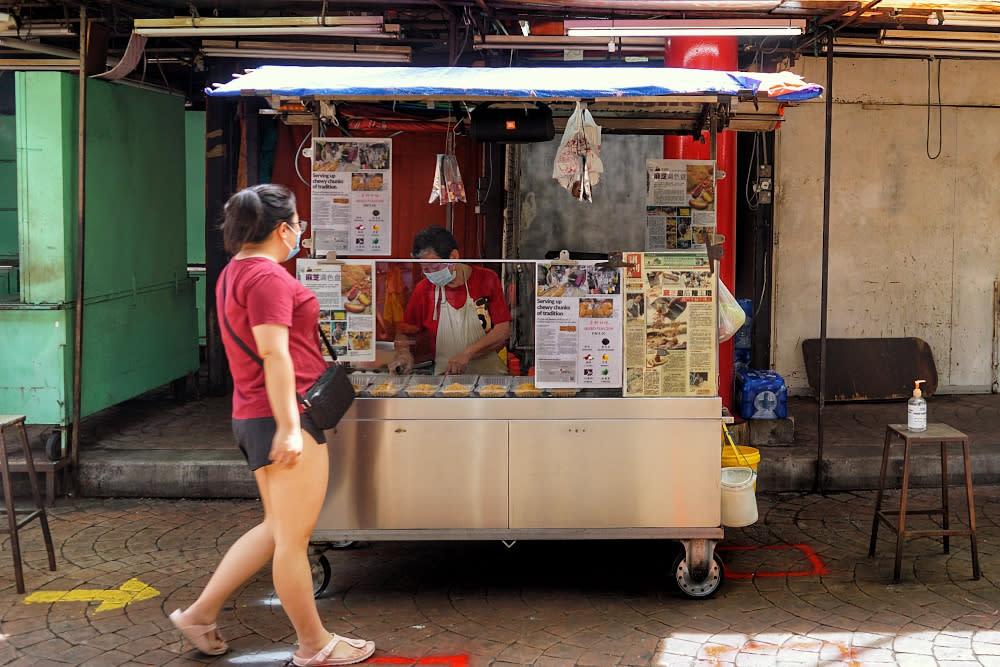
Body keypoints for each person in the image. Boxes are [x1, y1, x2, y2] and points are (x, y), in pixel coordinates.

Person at [167, 184, 375, 666]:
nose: (300, 230)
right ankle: (314, 644)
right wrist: (288, 427)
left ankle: (200, 614)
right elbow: (273, 353)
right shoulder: (266, 279)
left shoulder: (235, 271)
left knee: (277, 529)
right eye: (298, 222)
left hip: (255, 412)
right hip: (282, 413)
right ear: (283, 229)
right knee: (293, 540)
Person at [391, 225, 511, 375]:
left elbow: (503, 330)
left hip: (490, 379)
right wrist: (403, 353)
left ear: (453, 257)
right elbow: (404, 332)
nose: (431, 274)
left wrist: (468, 353)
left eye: (435, 267)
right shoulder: (424, 289)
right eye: (425, 269)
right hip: (445, 379)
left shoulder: (486, 279)